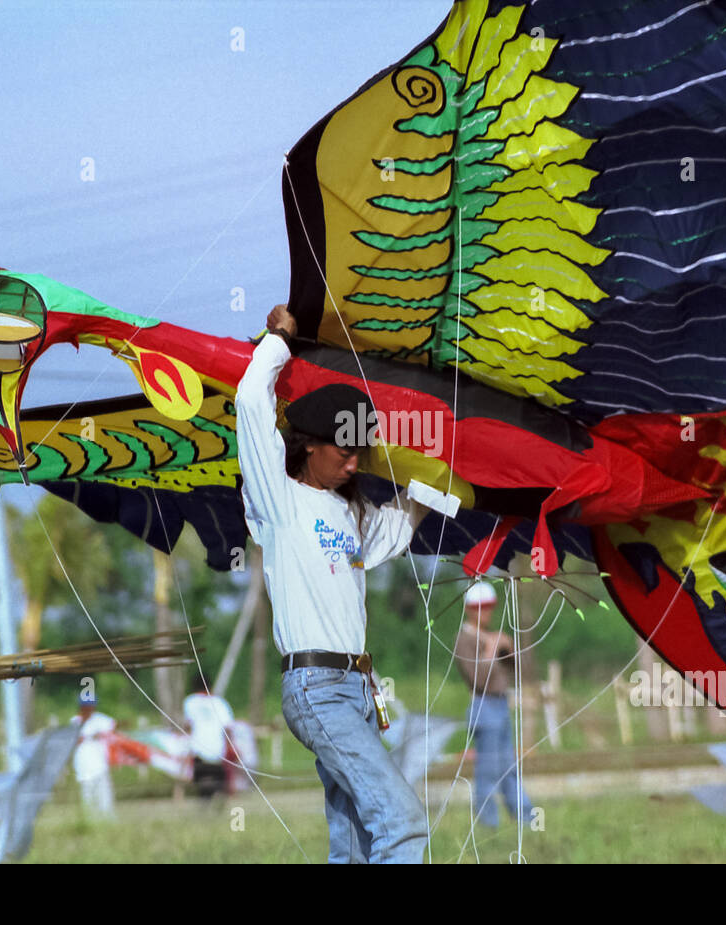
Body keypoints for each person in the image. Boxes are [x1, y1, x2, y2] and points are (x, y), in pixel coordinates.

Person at [235, 304, 428, 864]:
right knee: (402, 819)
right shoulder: (280, 501)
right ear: (309, 446)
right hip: (316, 689)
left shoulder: (352, 515)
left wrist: (438, 482)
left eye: (360, 454)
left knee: (354, 841)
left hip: (358, 691)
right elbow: (251, 403)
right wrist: (278, 341)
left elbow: (395, 531)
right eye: (344, 453)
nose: (353, 465)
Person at [455, 580, 536, 827]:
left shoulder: (492, 635)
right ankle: (488, 823)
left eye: (489, 606)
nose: (486, 612)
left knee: (508, 766)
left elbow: (518, 670)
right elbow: (478, 679)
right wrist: (490, 649)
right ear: (470, 609)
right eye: (480, 607)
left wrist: (509, 649)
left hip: (501, 705)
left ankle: (525, 817)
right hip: (483, 706)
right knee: (488, 770)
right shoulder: (464, 639)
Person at [183, 671, 234, 799]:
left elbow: (187, 726)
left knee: (202, 781)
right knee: (217, 780)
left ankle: (205, 795)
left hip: (197, 750)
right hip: (217, 750)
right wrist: (230, 746)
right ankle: (217, 794)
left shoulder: (190, 702)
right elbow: (228, 728)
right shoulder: (220, 703)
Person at [71, 692, 117, 819]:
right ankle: (89, 824)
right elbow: (74, 740)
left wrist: (100, 735)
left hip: (100, 766)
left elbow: (114, 727)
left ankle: (109, 822)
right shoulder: (75, 722)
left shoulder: (100, 720)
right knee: (88, 801)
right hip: (83, 768)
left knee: (105, 800)